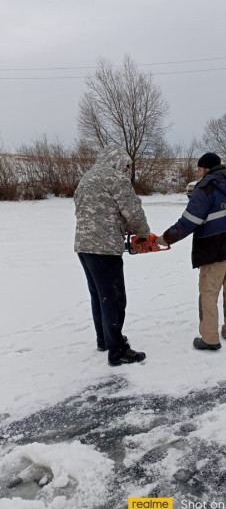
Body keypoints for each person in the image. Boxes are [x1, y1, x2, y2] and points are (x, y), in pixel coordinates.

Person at [157, 152, 226, 350]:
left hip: (214, 248)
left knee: (209, 294)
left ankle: (209, 338)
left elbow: (190, 221)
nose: (199, 172)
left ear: (205, 168)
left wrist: (166, 238)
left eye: (199, 168)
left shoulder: (206, 186)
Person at [74, 144, 151, 366]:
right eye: (126, 166)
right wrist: (143, 234)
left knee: (100, 296)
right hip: (105, 249)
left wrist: (117, 223)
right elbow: (133, 210)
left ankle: (104, 340)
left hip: (84, 246)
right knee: (114, 299)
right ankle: (117, 351)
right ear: (117, 161)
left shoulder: (87, 178)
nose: (126, 170)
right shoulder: (115, 178)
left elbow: (86, 210)